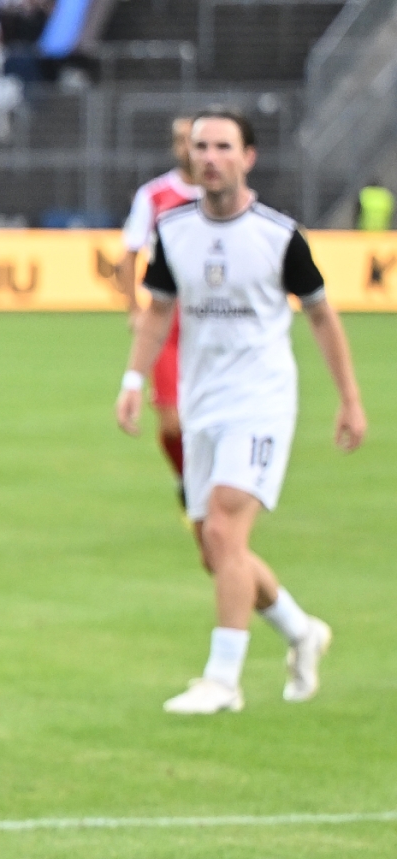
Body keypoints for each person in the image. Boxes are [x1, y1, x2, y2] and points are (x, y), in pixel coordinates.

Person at [115, 109, 368, 714]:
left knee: (225, 531)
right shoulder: (174, 231)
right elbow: (157, 311)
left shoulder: (279, 236)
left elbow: (321, 315)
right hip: (201, 401)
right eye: (201, 146)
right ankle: (301, 631)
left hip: (260, 401)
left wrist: (350, 399)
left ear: (247, 157)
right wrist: (133, 379)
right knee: (216, 551)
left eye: (223, 147)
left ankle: (222, 680)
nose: (210, 157)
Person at [121, 117, 202, 504]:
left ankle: (208, 489)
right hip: (168, 319)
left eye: (195, 140)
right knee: (172, 423)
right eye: (182, 140)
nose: (189, 148)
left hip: (212, 319)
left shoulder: (224, 195)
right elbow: (129, 253)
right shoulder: (154, 195)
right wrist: (133, 308)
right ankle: (190, 483)